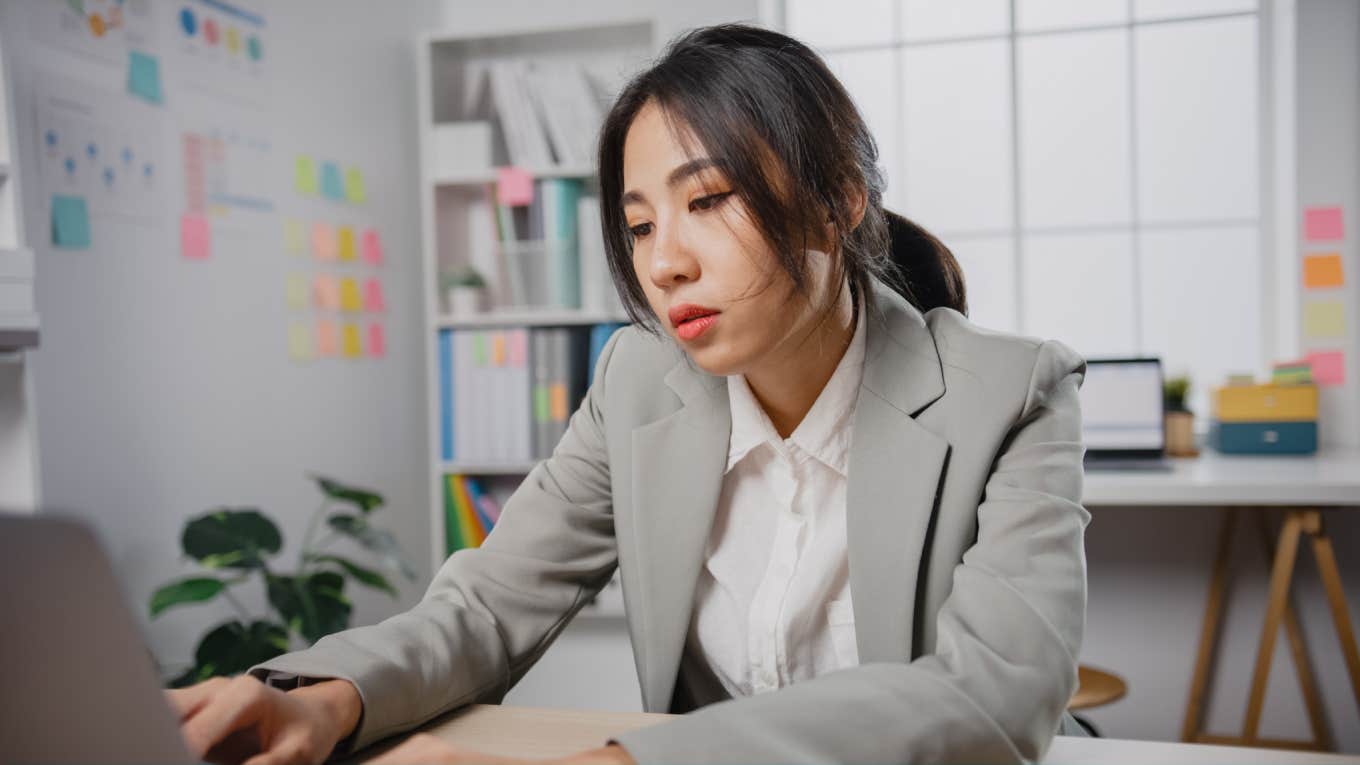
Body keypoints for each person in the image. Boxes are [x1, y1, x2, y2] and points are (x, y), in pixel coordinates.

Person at [165, 22, 1090, 765]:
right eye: (639, 223)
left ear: (838, 200)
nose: (663, 262)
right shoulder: (638, 382)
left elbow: (991, 698)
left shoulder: (1012, 393)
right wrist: (330, 700)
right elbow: (489, 605)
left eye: (711, 199)